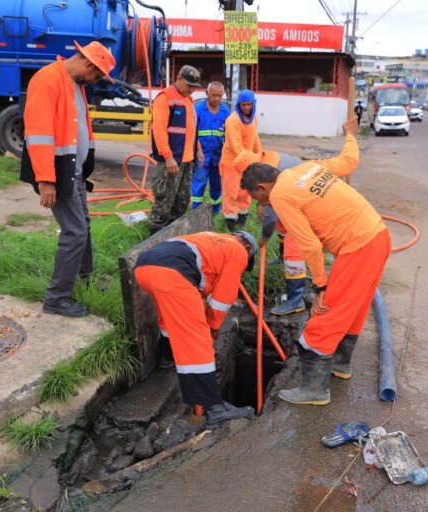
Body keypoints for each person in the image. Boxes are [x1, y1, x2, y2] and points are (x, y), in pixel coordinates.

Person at [240, 117, 391, 406]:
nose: (260, 204)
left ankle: (315, 390)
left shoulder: (282, 195)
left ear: (261, 187)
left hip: (358, 245)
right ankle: (341, 365)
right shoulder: (307, 168)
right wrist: (350, 134)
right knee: (354, 307)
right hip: (378, 234)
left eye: (256, 198)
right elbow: (349, 160)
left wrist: (320, 285)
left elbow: (308, 244)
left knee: (325, 313)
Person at [20, 40, 115, 317]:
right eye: (97, 75)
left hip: (72, 171)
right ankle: (56, 299)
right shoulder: (47, 79)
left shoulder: (74, 84)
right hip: (57, 172)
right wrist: (46, 180)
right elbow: (38, 134)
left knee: (82, 226)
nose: (95, 81)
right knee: (74, 232)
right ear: (89, 63)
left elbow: (77, 127)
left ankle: (85, 281)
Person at [134, 231, 259, 429]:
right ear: (247, 249)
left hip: (144, 268)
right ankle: (214, 408)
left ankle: (167, 357)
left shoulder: (212, 239)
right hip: (173, 273)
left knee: (170, 319)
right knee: (196, 337)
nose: (244, 267)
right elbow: (223, 299)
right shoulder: (238, 251)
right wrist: (212, 327)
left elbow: (200, 282)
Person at [235, 150, 307, 316]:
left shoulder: (270, 180)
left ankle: (295, 300)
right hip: (300, 194)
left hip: (305, 203)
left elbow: (270, 214)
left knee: (293, 248)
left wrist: (265, 237)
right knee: (283, 225)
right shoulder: (267, 164)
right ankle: (282, 257)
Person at [149, 65, 204, 234]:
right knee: (164, 200)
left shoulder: (188, 101)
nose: (192, 89)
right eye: (189, 85)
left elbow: (191, 130)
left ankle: (173, 237)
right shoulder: (165, 98)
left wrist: (198, 149)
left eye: (195, 86)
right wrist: (167, 156)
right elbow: (158, 130)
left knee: (182, 200)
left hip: (187, 161)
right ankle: (154, 238)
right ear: (179, 79)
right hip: (171, 161)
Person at [220, 89, 262, 231]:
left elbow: (254, 136)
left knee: (245, 190)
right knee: (231, 191)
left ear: (253, 104)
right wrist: (250, 159)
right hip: (231, 162)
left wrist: (260, 153)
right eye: (243, 104)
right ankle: (230, 220)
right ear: (239, 104)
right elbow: (235, 145)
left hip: (247, 161)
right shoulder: (233, 120)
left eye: (248, 104)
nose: (245, 107)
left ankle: (242, 215)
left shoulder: (253, 117)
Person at [191, 82, 231, 214]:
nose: (217, 99)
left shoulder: (226, 111)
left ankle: (215, 212)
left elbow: (229, 135)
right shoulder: (197, 109)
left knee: (217, 186)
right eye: (214, 95)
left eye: (220, 96)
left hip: (219, 157)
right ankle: (195, 212)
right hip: (201, 155)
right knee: (199, 183)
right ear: (207, 93)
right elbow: (192, 132)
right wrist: (197, 150)